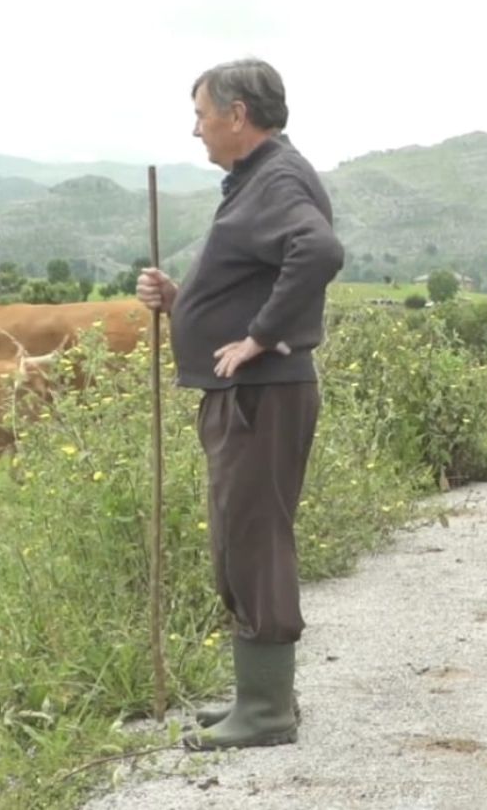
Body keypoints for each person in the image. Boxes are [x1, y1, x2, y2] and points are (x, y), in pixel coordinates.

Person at [137, 57, 344, 751]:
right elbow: (256, 272)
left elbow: (316, 252)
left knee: (253, 540)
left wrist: (259, 337)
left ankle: (266, 712)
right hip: (247, 395)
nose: (195, 130)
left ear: (237, 114)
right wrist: (179, 301)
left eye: (201, 115)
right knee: (240, 535)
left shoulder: (277, 178)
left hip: (259, 394)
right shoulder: (256, 181)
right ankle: (260, 695)